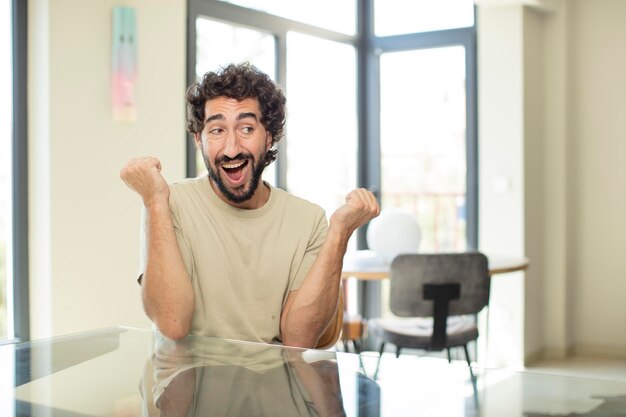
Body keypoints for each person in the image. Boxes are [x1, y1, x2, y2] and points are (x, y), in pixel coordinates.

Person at [120, 63, 379, 348]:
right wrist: (155, 202)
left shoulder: (308, 220)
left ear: (268, 136)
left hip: (273, 387)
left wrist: (339, 233)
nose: (231, 148)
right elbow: (172, 322)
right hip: (184, 388)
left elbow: (299, 338)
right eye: (217, 130)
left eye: (246, 128)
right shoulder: (169, 203)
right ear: (199, 140)